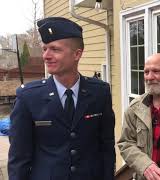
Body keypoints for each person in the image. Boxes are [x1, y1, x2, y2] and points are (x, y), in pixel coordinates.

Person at [8, 17, 115, 180]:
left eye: (54, 49)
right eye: (45, 49)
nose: (46, 56)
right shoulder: (29, 97)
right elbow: (19, 158)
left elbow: (106, 146)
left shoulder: (99, 92)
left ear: (77, 54)